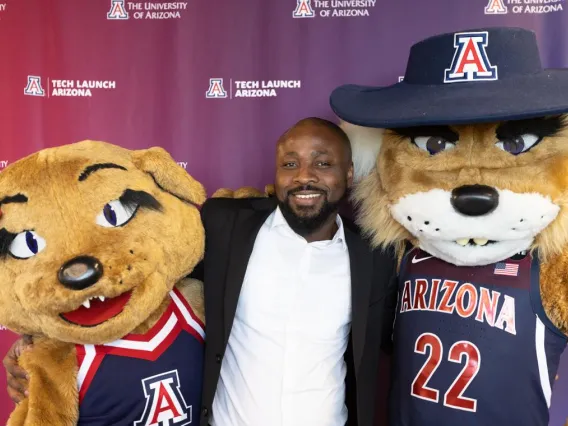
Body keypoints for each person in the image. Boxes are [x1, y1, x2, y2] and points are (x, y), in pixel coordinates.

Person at [3, 117, 398, 426]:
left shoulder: (374, 255)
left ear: (348, 175)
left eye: (323, 163)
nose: (304, 176)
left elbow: (388, 343)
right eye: (289, 164)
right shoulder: (225, 225)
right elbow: (146, 279)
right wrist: (32, 339)